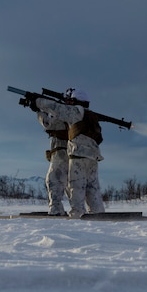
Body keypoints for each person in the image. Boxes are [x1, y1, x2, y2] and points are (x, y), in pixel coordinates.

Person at [31, 87, 105, 218]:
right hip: (93, 156)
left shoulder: (75, 112)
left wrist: (37, 103)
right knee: (92, 188)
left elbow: (55, 110)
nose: (68, 103)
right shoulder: (90, 116)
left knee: (76, 186)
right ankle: (98, 214)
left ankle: (76, 214)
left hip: (78, 155)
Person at [36, 105, 69, 216]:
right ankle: (78, 210)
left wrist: (38, 111)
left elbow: (47, 123)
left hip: (61, 154)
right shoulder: (74, 116)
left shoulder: (62, 116)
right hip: (71, 155)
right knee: (70, 185)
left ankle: (56, 210)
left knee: (53, 180)